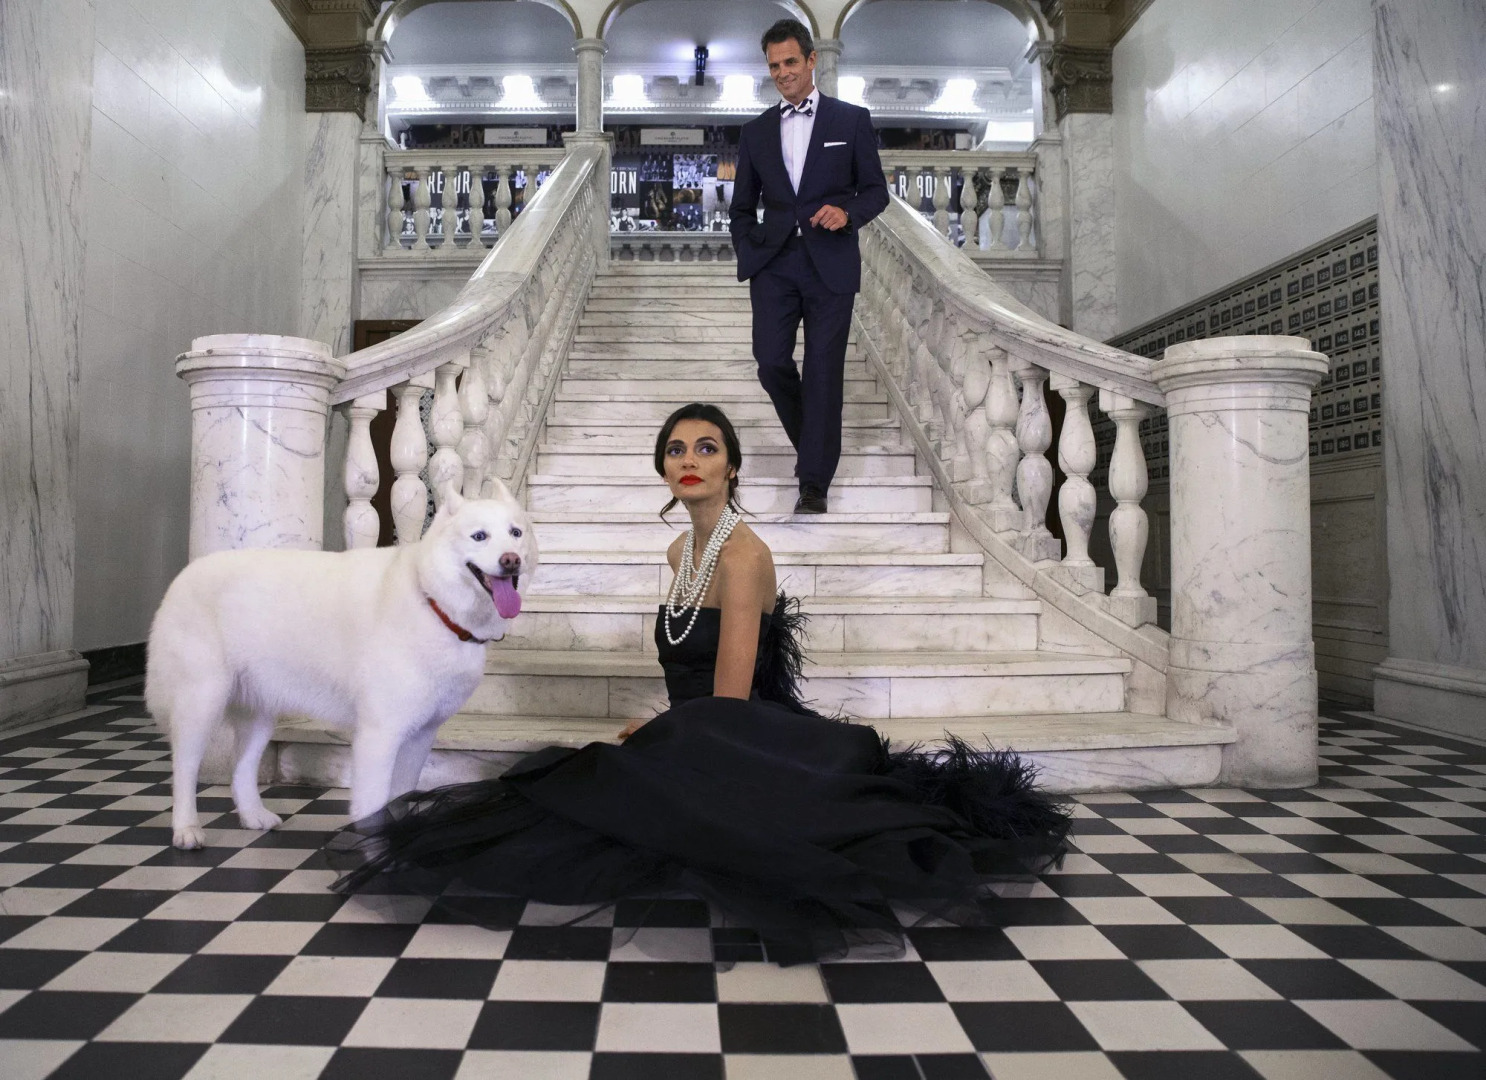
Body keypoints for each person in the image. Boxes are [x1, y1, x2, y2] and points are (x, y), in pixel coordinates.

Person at [331, 404, 1070, 964]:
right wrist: (660, 731)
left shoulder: (742, 554)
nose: (690, 460)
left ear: (732, 468)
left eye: (706, 449)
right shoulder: (683, 544)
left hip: (745, 740)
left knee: (586, 789)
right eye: (676, 450)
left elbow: (731, 698)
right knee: (584, 791)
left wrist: (655, 737)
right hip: (702, 730)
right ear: (664, 471)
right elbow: (694, 681)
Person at [729, 19, 890, 515]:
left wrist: (848, 214)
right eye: (774, 65)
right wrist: (751, 249)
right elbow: (740, 207)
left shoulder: (851, 121)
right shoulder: (755, 132)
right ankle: (817, 447)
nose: (782, 73)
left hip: (831, 262)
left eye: (790, 62)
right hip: (774, 264)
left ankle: (813, 480)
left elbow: (877, 191)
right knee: (771, 361)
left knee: (823, 372)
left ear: (811, 59)